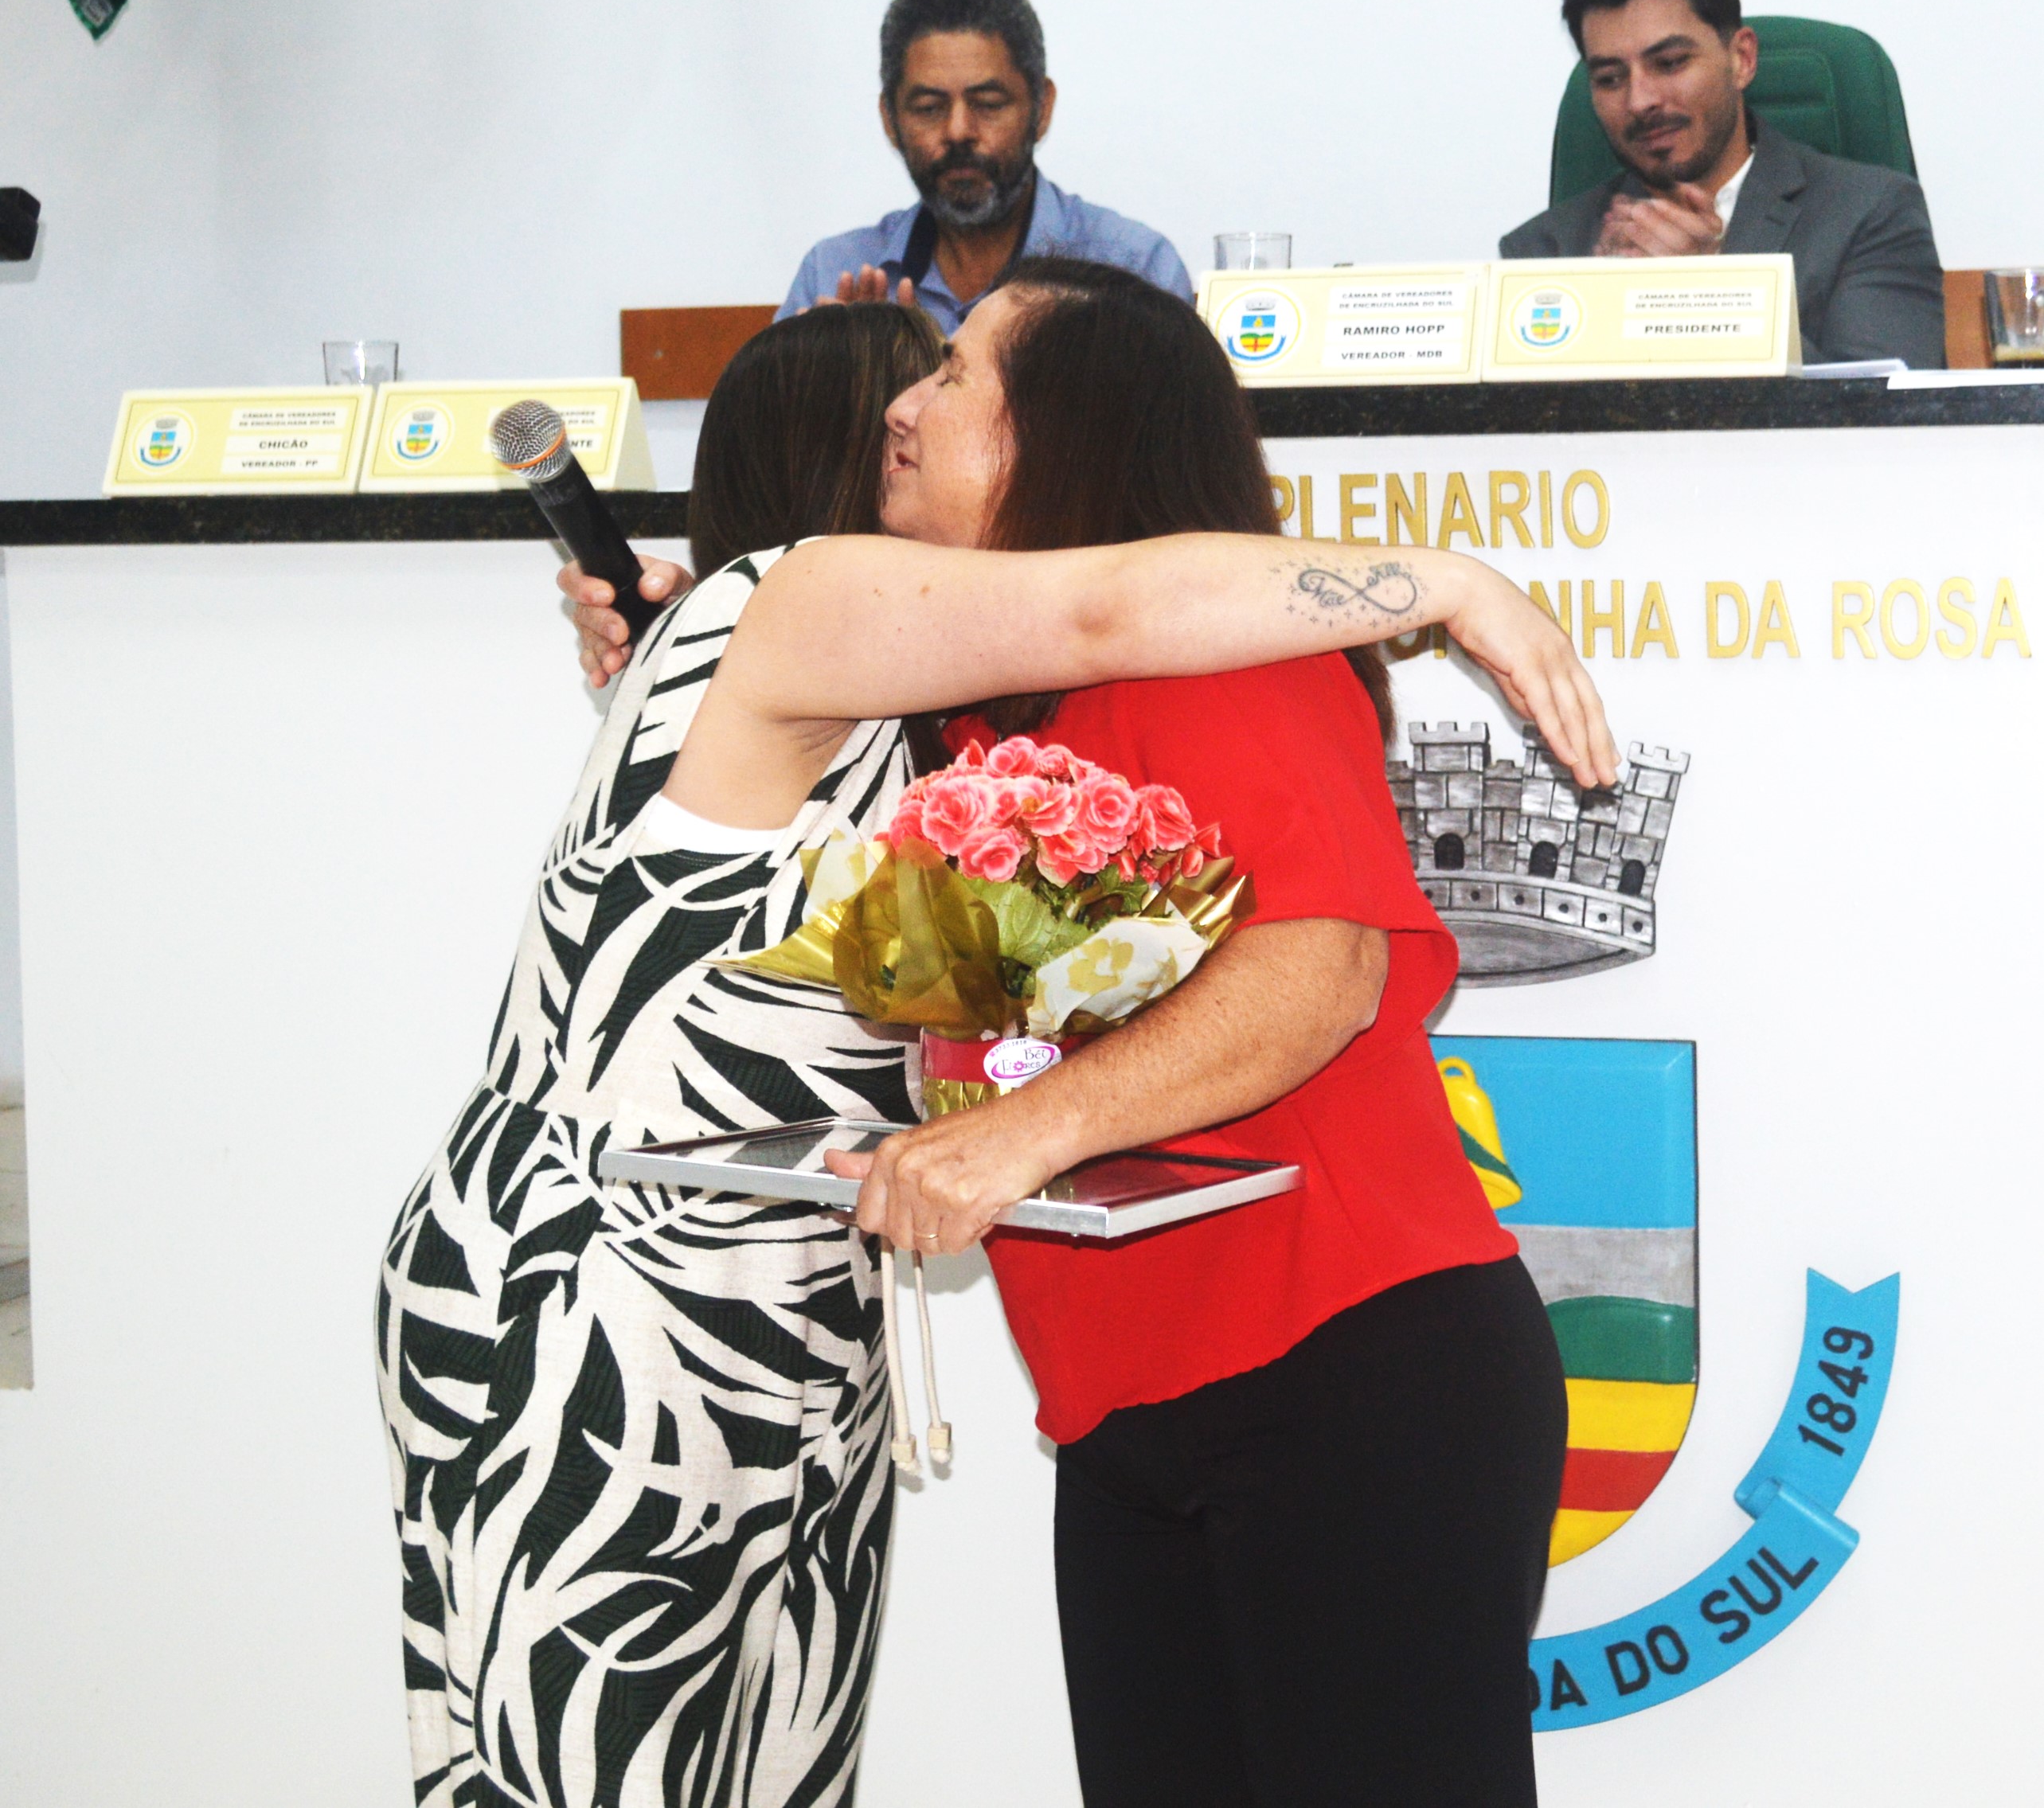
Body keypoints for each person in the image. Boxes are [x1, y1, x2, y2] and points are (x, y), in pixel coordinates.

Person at [572, 266, 1607, 1807]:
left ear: (1067, 432)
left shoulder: (1230, 665)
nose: (903, 407)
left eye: (956, 376)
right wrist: (676, 626)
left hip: (1349, 1378)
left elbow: (1319, 970)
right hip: (1130, 1416)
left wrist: (1024, 1134)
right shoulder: (968, 709)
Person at [1500, 0, 1945, 369]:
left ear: (1741, 60)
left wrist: (1707, 299)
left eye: (1669, 63)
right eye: (1610, 79)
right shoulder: (1543, 252)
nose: (1640, 101)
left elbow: (1879, 405)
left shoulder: (1872, 215)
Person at [775, 0, 1190, 327]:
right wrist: (842, 376)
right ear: (890, 120)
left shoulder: (1135, 268)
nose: (958, 132)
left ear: (1042, 108)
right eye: (929, 108)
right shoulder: (833, 275)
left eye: (988, 104)